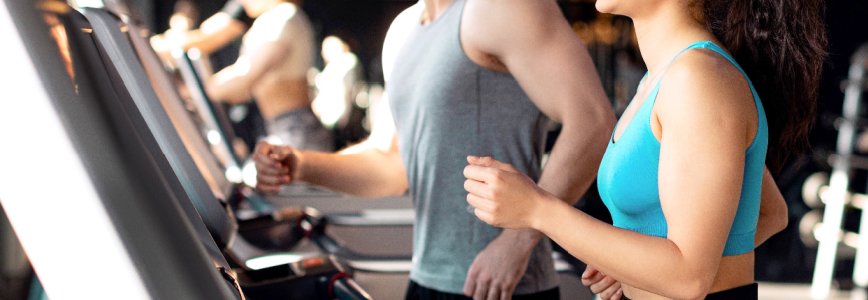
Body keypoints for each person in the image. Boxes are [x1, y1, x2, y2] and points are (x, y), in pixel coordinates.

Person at [460, 0, 827, 298]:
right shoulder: (662, 80)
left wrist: (537, 209)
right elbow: (769, 213)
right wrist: (635, 267)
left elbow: (688, 278)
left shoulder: (699, 81)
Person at [252, 0, 617, 299]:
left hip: (500, 285)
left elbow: (593, 122)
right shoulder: (403, 30)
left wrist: (516, 244)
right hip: (427, 280)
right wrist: (299, 165)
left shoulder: (503, 7)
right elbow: (390, 164)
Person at [205, 0, 332, 152]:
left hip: (295, 128)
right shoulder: (270, 19)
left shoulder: (283, 15)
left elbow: (245, 76)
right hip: (281, 126)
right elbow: (242, 90)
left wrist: (199, 88)